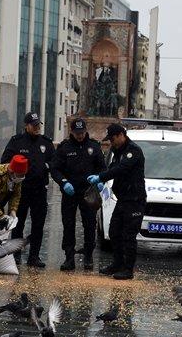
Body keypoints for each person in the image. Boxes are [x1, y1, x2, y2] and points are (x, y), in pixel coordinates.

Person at [87, 123, 146, 280]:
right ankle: (117, 263)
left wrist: (101, 177)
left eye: (112, 139)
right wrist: (102, 179)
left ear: (121, 135)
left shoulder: (133, 151)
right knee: (114, 232)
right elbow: (112, 167)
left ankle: (128, 269)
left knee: (128, 235)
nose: (111, 143)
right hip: (122, 199)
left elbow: (121, 169)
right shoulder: (117, 150)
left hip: (135, 200)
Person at [1, 112, 55, 267]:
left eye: (39, 125)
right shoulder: (16, 142)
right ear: (26, 126)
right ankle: (16, 255)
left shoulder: (46, 143)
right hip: (21, 191)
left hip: (39, 190)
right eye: (34, 125)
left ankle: (34, 257)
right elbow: (5, 161)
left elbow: (55, 162)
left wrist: (47, 166)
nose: (37, 128)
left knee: (38, 224)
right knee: (18, 224)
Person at [51, 117, 105, 271]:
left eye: (82, 132)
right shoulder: (64, 147)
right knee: (68, 225)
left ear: (85, 131)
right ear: (71, 132)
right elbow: (55, 169)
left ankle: (88, 256)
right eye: (77, 133)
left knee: (89, 225)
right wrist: (63, 182)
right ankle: (69, 257)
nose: (80, 135)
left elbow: (102, 167)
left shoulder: (94, 147)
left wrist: (100, 180)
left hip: (89, 193)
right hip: (70, 192)